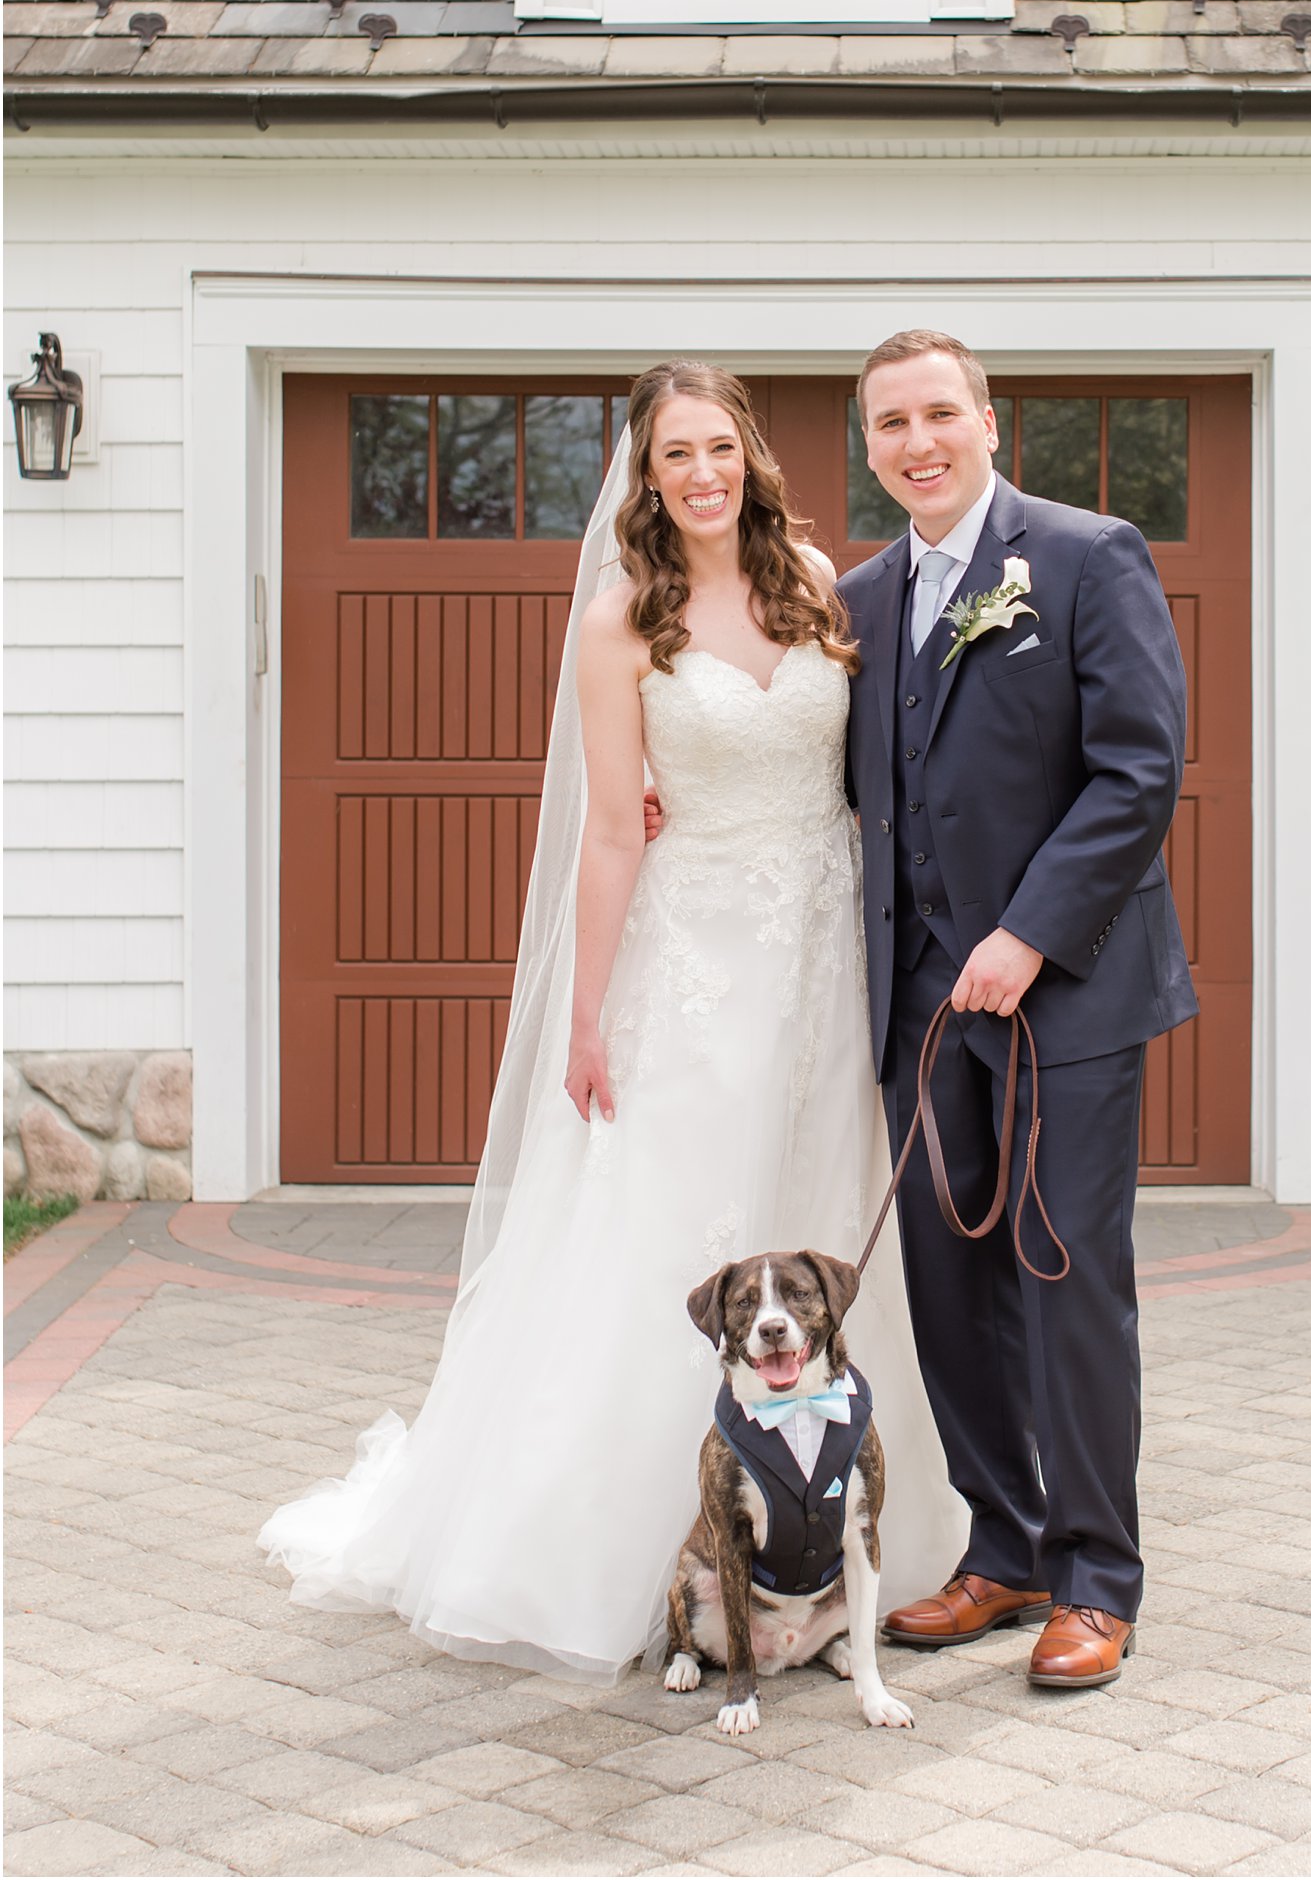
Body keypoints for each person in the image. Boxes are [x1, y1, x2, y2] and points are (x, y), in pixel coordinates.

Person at [258, 361, 963, 1681]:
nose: (699, 474)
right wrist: (587, 1015)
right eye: (670, 456)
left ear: (750, 454)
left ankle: (843, 1538)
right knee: (671, 1224)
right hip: (690, 963)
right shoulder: (620, 619)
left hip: (822, 957)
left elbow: (880, 763)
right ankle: (635, 1553)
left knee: (815, 1207)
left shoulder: (817, 580)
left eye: (716, 448)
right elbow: (605, 831)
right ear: (644, 480)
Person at [837, 329, 1196, 1689]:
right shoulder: (866, 599)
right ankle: (1006, 1549)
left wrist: (1029, 935)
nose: (917, 442)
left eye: (940, 415)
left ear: (991, 425)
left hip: (1072, 998)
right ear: (868, 447)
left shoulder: (1089, 555)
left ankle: (1100, 1575)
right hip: (918, 1007)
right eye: (890, 425)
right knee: (949, 1283)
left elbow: (1138, 771)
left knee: (1062, 1278)